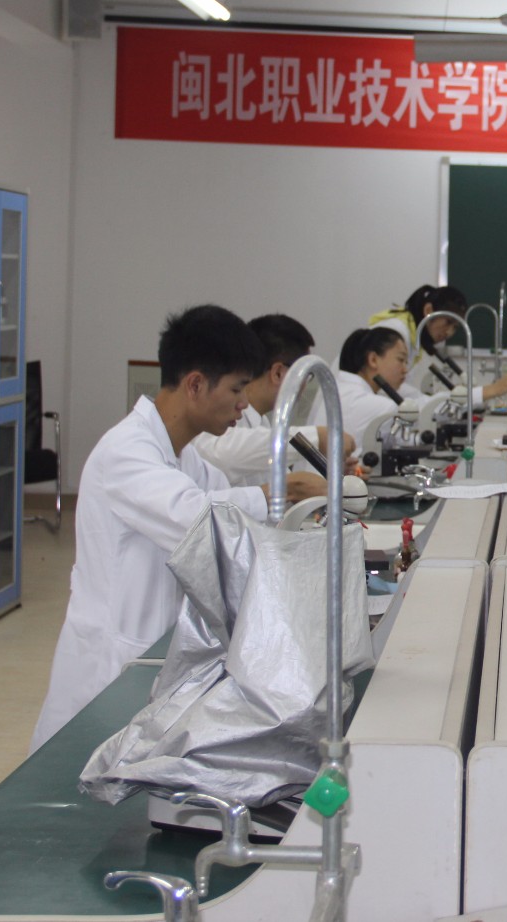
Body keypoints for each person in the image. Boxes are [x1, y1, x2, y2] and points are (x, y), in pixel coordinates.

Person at [30, 306, 327, 751]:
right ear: (195, 385)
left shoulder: (185, 457)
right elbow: (197, 519)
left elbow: (235, 521)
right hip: (107, 670)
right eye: (236, 389)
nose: (243, 404)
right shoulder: (125, 453)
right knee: (80, 770)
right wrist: (282, 493)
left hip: (151, 665)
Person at [192, 313, 356, 485]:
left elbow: (283, 482)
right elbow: (222, 454)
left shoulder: (261, 422)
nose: (243, 403)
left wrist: (329, 472)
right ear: (278, 373)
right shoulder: (221, 421)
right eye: (305, 376)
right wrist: (316, 437)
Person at [369, 284, 507, 405]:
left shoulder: (411, 333)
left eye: (455, 327)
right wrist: (488, 391)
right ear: (428, 310)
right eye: (448, 322)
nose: (449, 333)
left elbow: (409, 396)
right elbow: (390, 391)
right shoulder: (396, 334)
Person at [336, 325, 409, 451]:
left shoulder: (336, 390)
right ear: (373, 359)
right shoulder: (383, 408)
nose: (405, 370)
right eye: (400, 359)